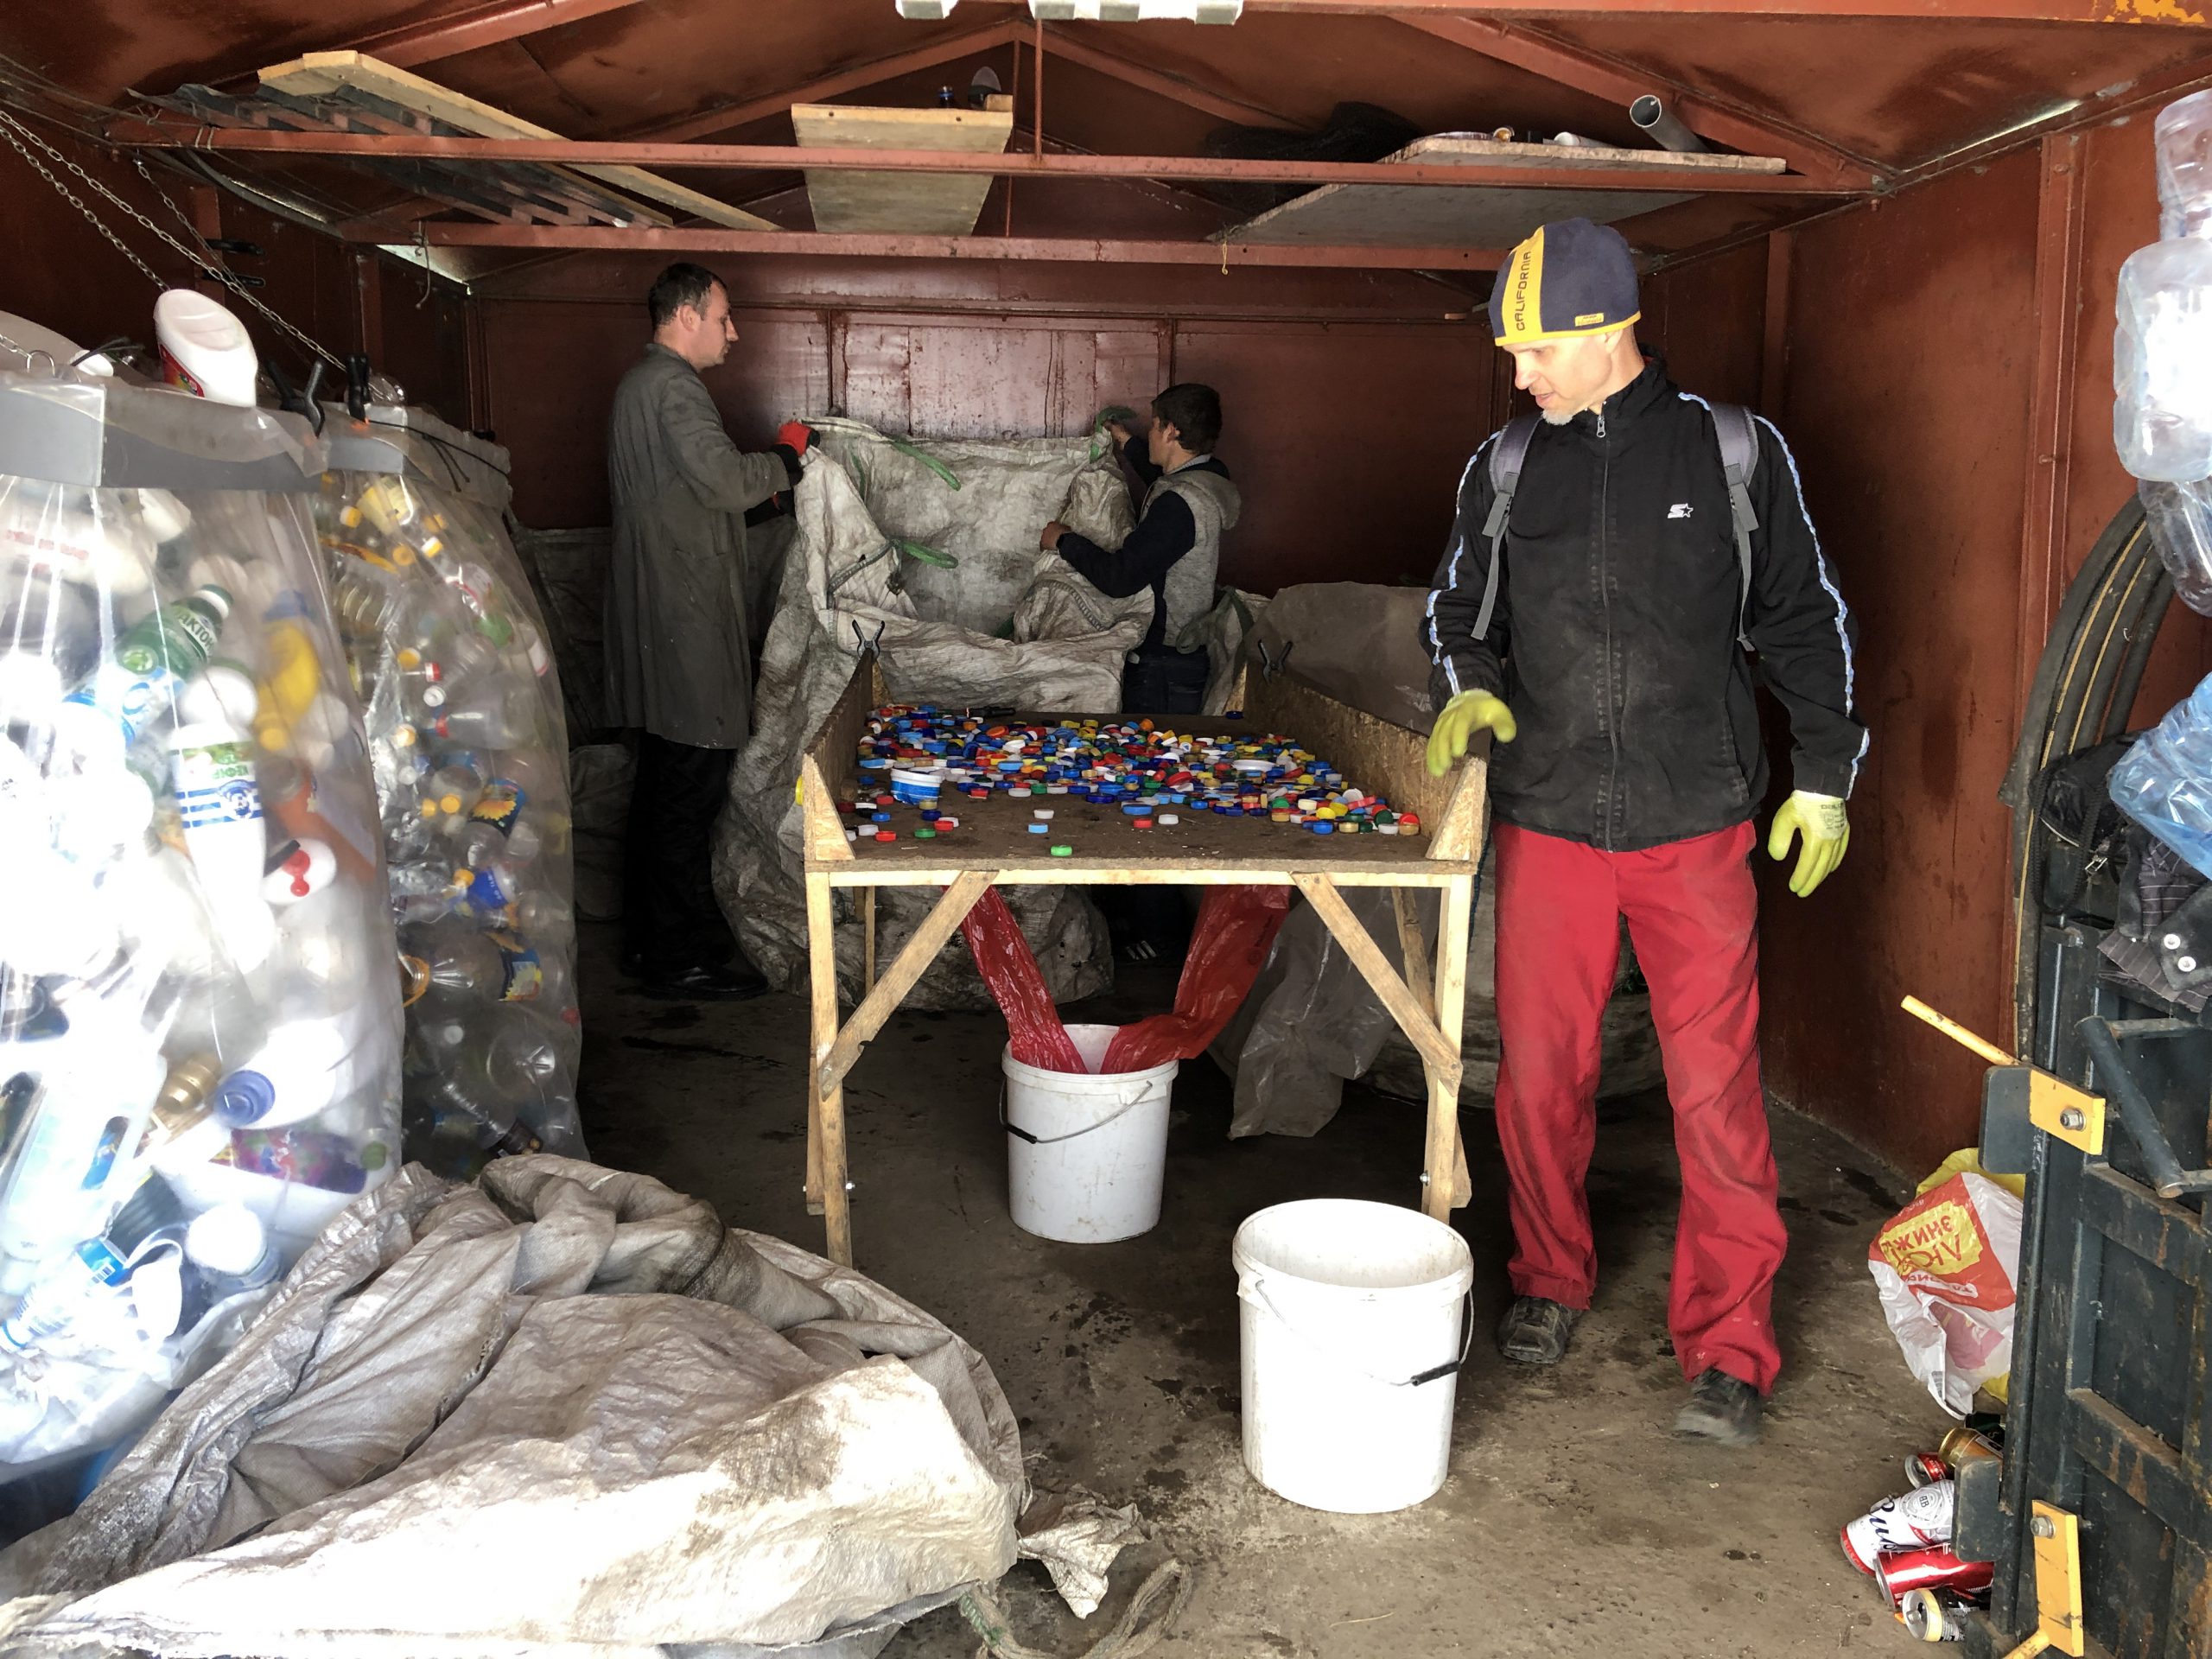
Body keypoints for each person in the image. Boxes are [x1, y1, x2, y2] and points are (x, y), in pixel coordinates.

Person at [1421, 218, 1866, 1446]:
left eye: (1537, 350)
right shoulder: (1506, 465)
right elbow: (1459, 607)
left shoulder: (1731, 452)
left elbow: (1802, 619)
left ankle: (1730, 1346)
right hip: (1552, 818)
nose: (1521, 375)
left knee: (1716, 1095)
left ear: (1609, 329)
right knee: (1538, 1081)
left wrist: (1823, 776)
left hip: (1695, 823)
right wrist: (1467, 676)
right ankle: (1549, 1280)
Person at [606, 262, 805, 1001]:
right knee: (689, 789)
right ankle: (677, 955)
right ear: (685, 314)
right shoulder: (673, 388)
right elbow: (723, 481)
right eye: (724, 316)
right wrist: (788, 458)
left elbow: (685, 501)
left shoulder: (637, 388)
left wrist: (765, 508)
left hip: (657, 606)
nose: (734, 330)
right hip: (683, 615)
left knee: (660, 784)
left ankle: (647, 940)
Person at [1041, 383, 1241, 715]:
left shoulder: (1178, 505)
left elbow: (1120, 578)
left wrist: (1063, 540)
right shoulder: (1209, 479)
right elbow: (1165, 480)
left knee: (1153, 760)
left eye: (1154, 425)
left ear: (1171, 431)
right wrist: (1126, 442)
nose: (1149, 432)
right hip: (1183, 656)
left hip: (1162, 665)